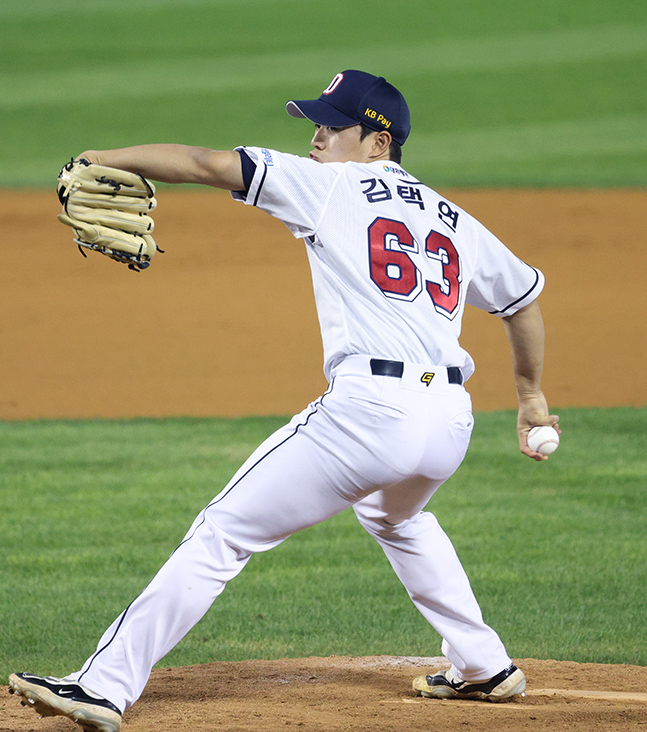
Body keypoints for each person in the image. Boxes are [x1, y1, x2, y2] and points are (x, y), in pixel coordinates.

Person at [10, 69, 559, 732]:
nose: (317, 139)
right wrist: (529, 397)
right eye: (315, 126)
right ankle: (482, 664)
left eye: (332, 127)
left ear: (377, 143)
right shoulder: (452, 217)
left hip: (370, 415)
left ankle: (102, 686)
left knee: (222, 532)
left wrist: (101, 158)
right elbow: (522, 301)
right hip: (448, 422)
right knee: (395, 517)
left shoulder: (331, 186)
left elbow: (201, 163)